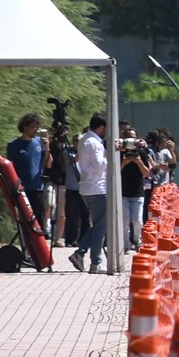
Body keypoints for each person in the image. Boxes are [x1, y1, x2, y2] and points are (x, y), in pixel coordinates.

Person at [68, 114, 107, 274]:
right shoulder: (94, 143)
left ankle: (81, 253)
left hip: (86, 188)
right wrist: (110, 156)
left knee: (98, 226)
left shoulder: (84, 139)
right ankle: (94, 262)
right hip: (97, 188)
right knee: (100, 228)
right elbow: (99, 166)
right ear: (101, 128)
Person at [7, 112, 52, 236]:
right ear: (25, 127)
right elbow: (11, 166)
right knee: (25, 221)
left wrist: (47, 149)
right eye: (33, 127)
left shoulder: (39, 143)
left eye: (37, 128)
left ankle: (41, 250)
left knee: (40, 221)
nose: (35, 130)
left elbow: (48, 164)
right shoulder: (14, 145)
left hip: (38, 186)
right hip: (22, 188)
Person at [118, 127, 153, 253]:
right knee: (125, 220)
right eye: (128, 137)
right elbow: (114, 173)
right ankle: (126, 245)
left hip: (138, 192)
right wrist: (124, 162)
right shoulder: (120, 153)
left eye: (133, 137)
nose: (130, 140)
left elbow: (148, 173)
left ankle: (137, 241)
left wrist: (138, 162)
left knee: (137, 220)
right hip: (123, 192)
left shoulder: (141, 153)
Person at [61, 132, 89, 251]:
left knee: (85, 216)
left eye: (81, 141)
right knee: (72, 215)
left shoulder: (88, 152)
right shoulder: (68, 152)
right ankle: (70, 239)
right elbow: (72, 161)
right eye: (77, 141)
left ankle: (84, 239)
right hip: (72, 188)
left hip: (86, 188)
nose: (79, 143)